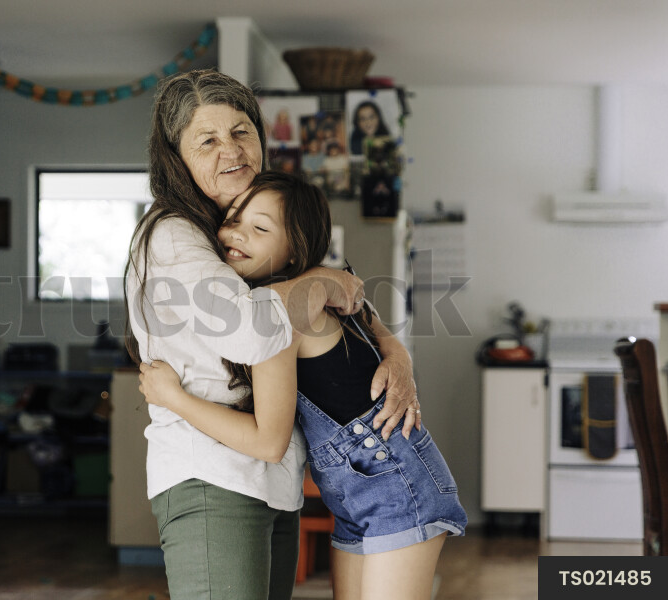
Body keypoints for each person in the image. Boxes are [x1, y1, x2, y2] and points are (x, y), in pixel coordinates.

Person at [125, 68, 419, 600]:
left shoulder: (248, 223)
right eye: (206, 140)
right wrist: (316, 280)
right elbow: (247, 331)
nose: (231, 149)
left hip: (273, 479)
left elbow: (348, 300)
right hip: (212, 476)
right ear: (177, 157)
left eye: (241, 131)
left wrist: (396, 353)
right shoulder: (174, 234)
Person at [139, 171, 467, 600]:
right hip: (357, 492)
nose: (236, 234)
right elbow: (364, 312)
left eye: (259, 228)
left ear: (294, 253)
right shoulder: (309, 290)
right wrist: (394, 349)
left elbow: (266, 441)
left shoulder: (279, 317)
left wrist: (174, 398)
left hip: (396, 486)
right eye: (234, 219)